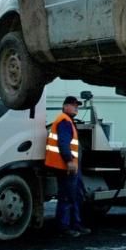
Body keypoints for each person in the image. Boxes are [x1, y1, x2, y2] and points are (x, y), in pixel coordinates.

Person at [46, 95, 91, 237]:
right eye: (73, 104)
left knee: (75, 196)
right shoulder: (64, 121)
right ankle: (64, 227)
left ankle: (76, 225)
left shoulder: (68, 121)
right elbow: (63, 143)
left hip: (71, 168)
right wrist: (70, 161)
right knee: (67, 197)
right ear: (65, 106)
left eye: (77, 105)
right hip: (66, 167)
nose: (76, 107)